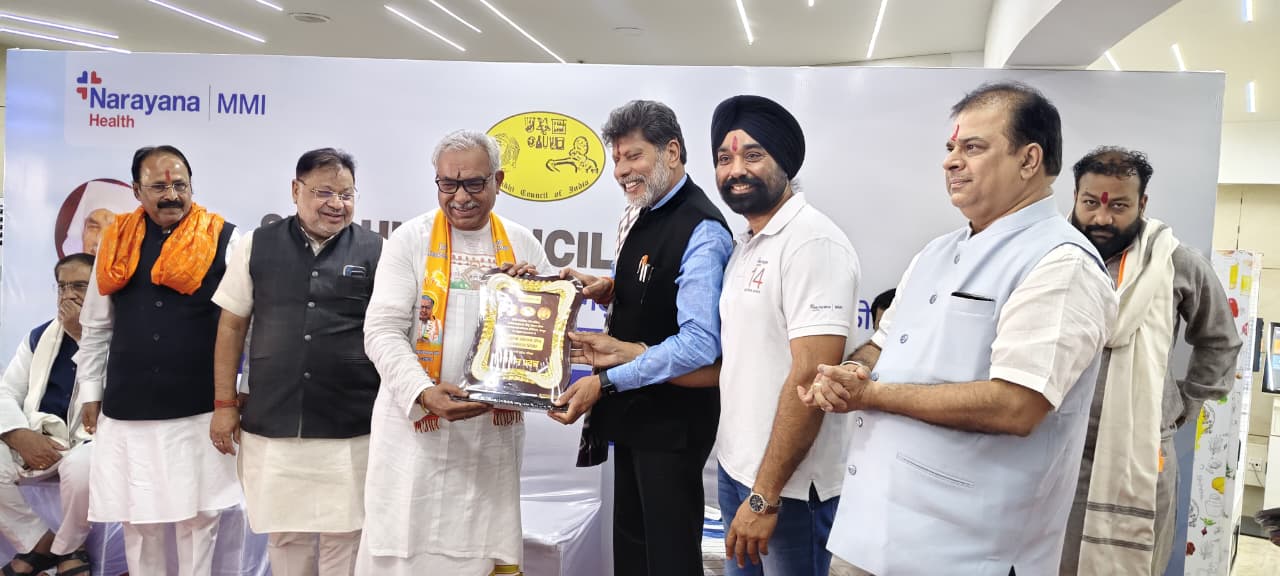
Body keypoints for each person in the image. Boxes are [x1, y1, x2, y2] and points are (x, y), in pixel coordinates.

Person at [803, 82, 1117, 575]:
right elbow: (882, 345)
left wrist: (872, 396)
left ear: (1029, 159)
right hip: (868, 533)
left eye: (973, 147)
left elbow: (1017, 405)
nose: (951, 161)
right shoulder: (936, 252)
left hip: (966, 552)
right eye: (951, 148)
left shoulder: (1062, 263)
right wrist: (850, 371)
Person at [356, 130, 550, 576]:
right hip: (413, 435)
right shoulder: (409, 239)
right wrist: (423, 392)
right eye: (448, 184)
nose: (460, 197)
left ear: (498, 180)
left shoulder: (523, 245)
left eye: (474, 183)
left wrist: (529, 295)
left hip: (489, 439)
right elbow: (381, 330)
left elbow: (546, 339)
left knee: (480, 549)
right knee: (404, 552)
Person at [555, 100, 733, 576]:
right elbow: (655, 289)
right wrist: (608, 288)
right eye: (617, 159)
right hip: (634, 418)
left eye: (633, 156)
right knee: (632, 553)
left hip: (673, 427)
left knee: (668, 560)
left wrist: (607, 381)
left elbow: (699, 344)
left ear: (671, 152)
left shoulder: (702, 231)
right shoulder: (642, 212)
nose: (621, 171)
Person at [1060, 147, 1241, 575]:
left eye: (1119, 206)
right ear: (1075, 197)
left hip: (1142, 451)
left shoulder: (1176, 262)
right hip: (1056, 445)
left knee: (1134, 561)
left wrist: (1182, 406)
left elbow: (1220, 341)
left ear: (1142, 204)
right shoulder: (1052, 256)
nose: (1102, 218)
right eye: (1090, 203)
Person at [209, 148, 383, 576]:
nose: (336, 204)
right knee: (287, 536)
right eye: (324, 192)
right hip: (274, 419)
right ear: (295, 190)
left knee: (347, 534)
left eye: (346, 194)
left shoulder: (376, 249)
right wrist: (224, 404)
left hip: (351, 424)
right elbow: (231, 326)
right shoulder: (256, 245)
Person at [711, 95, 860, 575]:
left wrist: (765, 496)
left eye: (753, 155)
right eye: (724, 158)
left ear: (785, 163)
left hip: (789, 492)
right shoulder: (748, 243)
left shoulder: (813, 242)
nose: (736, 170)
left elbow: (811, 378)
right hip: (739, 471)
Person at [75, 145, 240, 576]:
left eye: (180, 185)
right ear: (136, 190)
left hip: (199, 408)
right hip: (130, 409)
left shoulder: (225, 238)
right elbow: (96, 326)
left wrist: (237, 396)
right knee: (140, 519)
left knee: (199, 519)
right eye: (159, 187)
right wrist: (90, 392)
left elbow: (246, 325)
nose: (172, 195)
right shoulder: (115, 241)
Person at [0, 254, 96, 576]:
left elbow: (112, 391)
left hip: (94, 440)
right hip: (40, 436)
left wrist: (81, 334)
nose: (68, 295)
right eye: (62, 286)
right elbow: (6, 392)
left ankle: (71, 547)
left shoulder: (123, 335)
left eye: (79, 286)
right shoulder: (39, 336)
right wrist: (20, 435)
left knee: (80, 468)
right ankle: (39, 542)